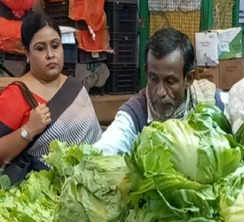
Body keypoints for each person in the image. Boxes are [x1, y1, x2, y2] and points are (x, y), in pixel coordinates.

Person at [0, 12, 101, 174]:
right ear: (27, 54)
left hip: (88, 183)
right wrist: (28, 130)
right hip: (41, 192)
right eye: (40, 48)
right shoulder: (16, 95)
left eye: (55, 45)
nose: (50, 55)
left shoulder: (75, 88)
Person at [94, 27, 226, 155]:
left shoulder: (211, 101)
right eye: (153, 79)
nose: (160, 92)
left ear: (189, 79)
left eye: (170, 81)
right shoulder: (136, 112)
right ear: (146, 73)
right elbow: (111, 143)